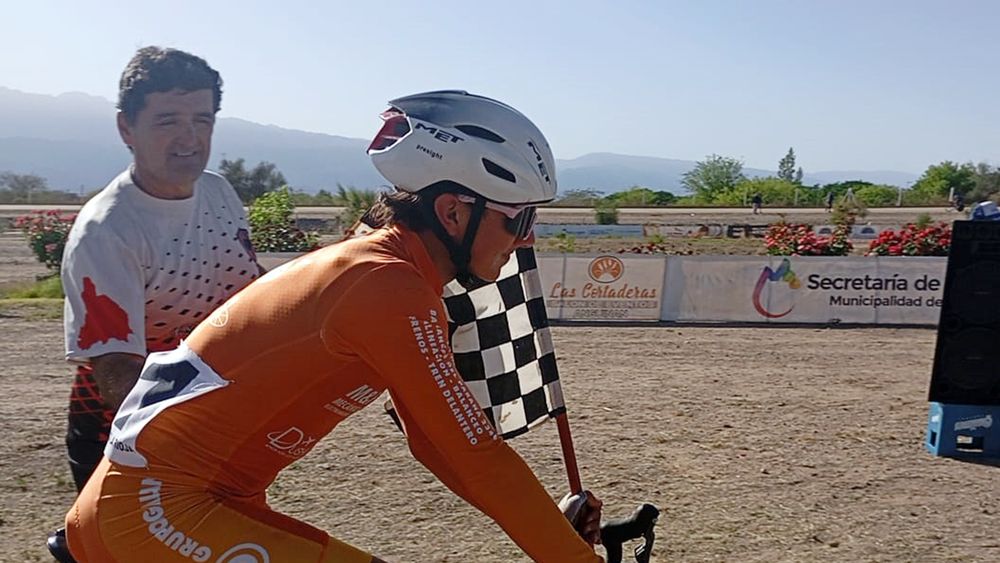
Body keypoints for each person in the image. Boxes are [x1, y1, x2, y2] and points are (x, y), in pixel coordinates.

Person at [65, 91, 604, 562]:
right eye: (520, 219)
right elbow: (477, 456)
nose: (527, 239)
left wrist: (556, 538)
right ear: (453, 213)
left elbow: (438, 445)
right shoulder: (386, 286)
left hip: (191, 504)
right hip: (160, 511)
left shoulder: (378, 267)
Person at [59, 46, 261, 493]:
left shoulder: (219, 193)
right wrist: (201, 428)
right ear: (125, 127)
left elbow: (248, 291)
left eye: (202, 120)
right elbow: (115, 372)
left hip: (216, 424)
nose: (189, 139)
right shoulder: (107, 230)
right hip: (121, 440)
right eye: (168, 121)